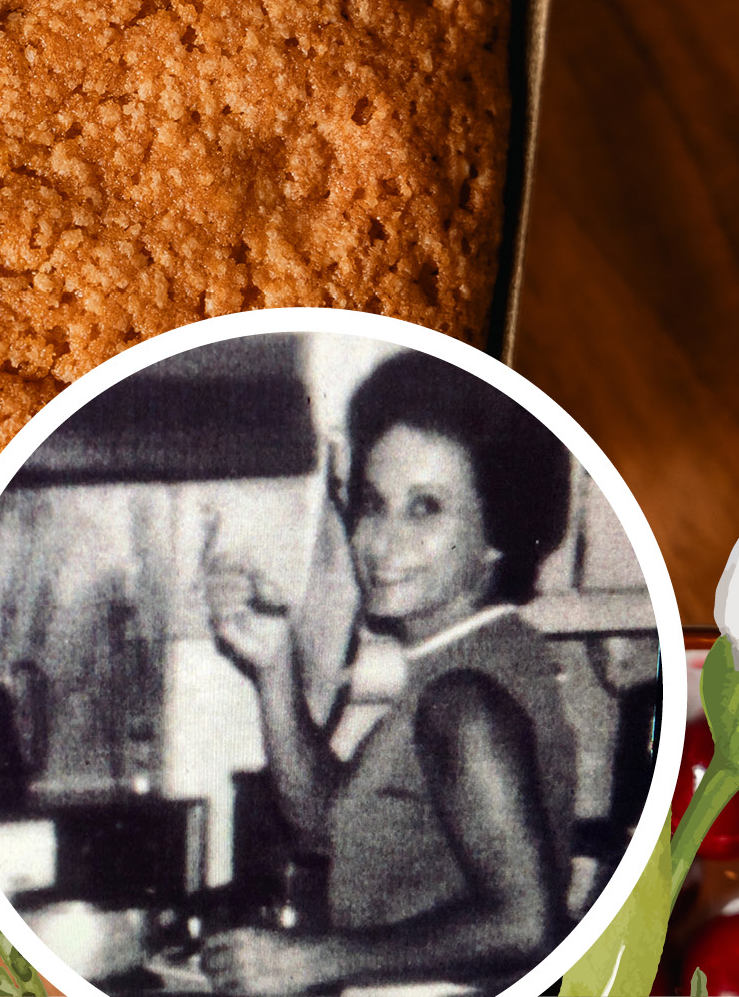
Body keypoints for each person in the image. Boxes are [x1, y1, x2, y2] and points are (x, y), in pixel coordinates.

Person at [199, 351, 577, 994]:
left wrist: (310, 962)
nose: (379, 541)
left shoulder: (462, 699)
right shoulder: (454, 670)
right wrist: (274, 669)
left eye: (425, 508)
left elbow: (528, 925)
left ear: (498, 534)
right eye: (374, 504)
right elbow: (325, 824)